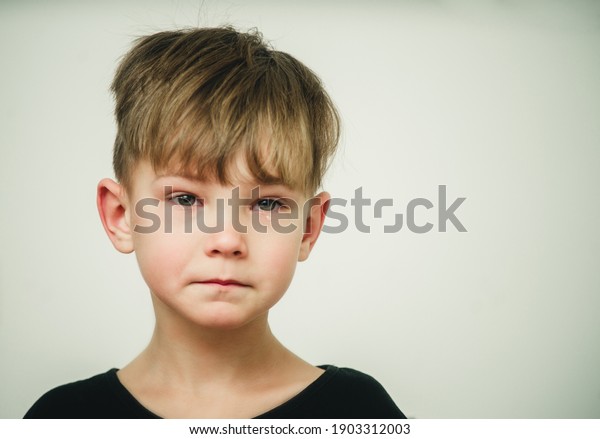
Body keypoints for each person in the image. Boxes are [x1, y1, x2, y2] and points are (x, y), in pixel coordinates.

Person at [24, 26, 405, 419]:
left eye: (269, 205)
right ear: (121, 216)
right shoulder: (64, 417)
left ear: (307, 228)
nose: (227, 239)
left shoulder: (357, 413)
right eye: (186, 199)